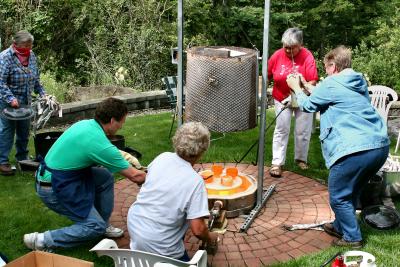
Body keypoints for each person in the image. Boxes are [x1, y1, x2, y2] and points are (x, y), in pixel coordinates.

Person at [286, 46, 390, 248]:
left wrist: (297, 88)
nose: (325, 72)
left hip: (354, 149)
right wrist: (308, 86)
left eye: (326, 67)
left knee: (339, 196)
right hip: (378, 147)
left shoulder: (332, 83)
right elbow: (332, 97)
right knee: (351, 191)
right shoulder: (357, 83)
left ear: (333, 65)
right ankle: (339, 226)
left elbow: (307, 106)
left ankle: (352, 238)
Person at [23, 97, 146, 251]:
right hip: (53, 187)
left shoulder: (86, 125)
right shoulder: (97, 143)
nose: (122, 125)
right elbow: (136, 176)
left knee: (105, 177)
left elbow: (105, 151)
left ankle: (103, 224)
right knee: (94, 227)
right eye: (122, 121)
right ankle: (42, 240)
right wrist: (161, 176)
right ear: (113, 120)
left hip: (55, 176)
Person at [127, 122, 218, 261]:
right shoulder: (195, 181)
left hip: (136, 228)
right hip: (161, 246)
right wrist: (211, 238)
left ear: (177, 141)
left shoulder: (162, 157)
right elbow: (198, 229)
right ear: (201, 152)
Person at [268, 27, 318, 177]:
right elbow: (267, 75)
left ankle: (301, 159)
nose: (288, 51)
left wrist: (300, 92)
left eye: (292, 48)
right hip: (281, 97)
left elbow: (313, 80)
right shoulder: (277, 55)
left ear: (300, 45)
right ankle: (277, 162)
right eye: (286, 47)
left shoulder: (307, 56)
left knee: (302, 130)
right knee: (281, 129)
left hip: (302, 97)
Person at [0, 30, 46, 175]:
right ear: (16, 44)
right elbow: (0, 82)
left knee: (24, 132)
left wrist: (43, 93)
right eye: (26, 45)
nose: (29, 47)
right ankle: (2, 161)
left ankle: (22, 157)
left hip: (26, 102)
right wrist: (10, 98)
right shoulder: (5, 57)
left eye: (30, 44)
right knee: (6, 132)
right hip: (8, 103)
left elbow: (36, 78)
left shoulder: (31, 55)